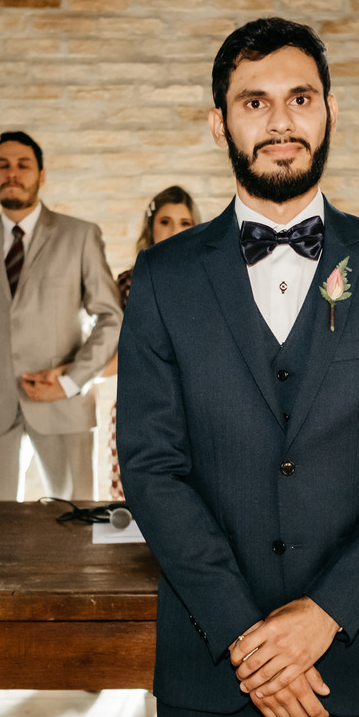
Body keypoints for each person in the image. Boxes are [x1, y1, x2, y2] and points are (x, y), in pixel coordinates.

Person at [117, 18, 359, 717]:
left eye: (300, 98)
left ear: (330, 112)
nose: (279, 120)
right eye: (254, 101)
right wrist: (245, 635)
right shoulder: (163, 280)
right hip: (212, 663)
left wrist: (324, 614)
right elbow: (151, 466)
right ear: (219, 123)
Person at [0, 130, 122, 501]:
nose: (12, 174)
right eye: (3, 165)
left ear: (41, 175)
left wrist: (71, 381)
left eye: (23, 165)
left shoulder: (79, 236)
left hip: (63, 403)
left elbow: (111, 317)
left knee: (73, 525)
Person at [107, 186, 201, 501]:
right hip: (141, 400)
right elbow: (121, 350)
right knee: (140, 493)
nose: (175, 230)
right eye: (165, 221)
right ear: (151, 226)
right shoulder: (128, 282)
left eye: (185, 222)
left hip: (199, 402)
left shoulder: (209, 279)